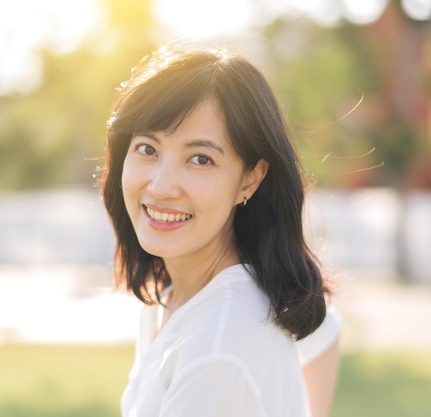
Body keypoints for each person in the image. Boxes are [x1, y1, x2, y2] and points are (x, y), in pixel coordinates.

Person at [101, 44, 341, 417]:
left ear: (250, 179)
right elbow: (326, 333)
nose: (162, 185)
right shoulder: (177, 298)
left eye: (200, 159)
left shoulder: (217, 352)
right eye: (147, 149)